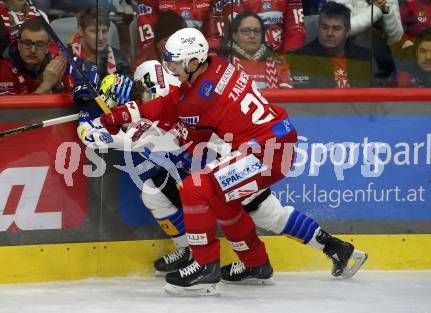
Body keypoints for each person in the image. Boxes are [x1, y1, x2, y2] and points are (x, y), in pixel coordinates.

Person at [99, 27, 368, 295]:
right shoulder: (215, 67)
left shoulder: (197, 99)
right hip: (266, 144)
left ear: (193, 62)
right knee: (226, 202)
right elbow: (171, 104)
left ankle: (205, 267)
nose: (170, 69)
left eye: (174, 63)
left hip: (261, 150)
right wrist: (125, 113)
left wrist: (119, 125)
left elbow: (177, 128)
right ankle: (259, 264)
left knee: (197, 190)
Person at [286, 1, 374, 88]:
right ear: (319, 27)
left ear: (347, 31)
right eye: (324, 27)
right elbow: (303, 96)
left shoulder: (364, 57)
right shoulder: (302, 58)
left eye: (336, 28)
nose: (329, 33)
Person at [219, 10, 293, 89]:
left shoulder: (277, 61)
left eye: (257, 31)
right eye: (246, 31)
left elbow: (286, 95)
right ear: (234, 35)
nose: (252, 35)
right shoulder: (223, 61)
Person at [0, 18, 73, 94]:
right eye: (27, 43)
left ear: (47, 48)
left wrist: (57, 86)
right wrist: (46, 85)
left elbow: (72, 103)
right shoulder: (3, 70)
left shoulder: (55, 66)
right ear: (18, 44)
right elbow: (10, 106)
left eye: (39, 44)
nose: (33, 50)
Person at [210, 0, 306, 53]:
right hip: (232, 61)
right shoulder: (219, 3)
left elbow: (296, 30)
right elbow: (215, 37)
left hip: (276, 60)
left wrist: (290, 58)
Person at [68, 6, 131, 84]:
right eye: (94, 31)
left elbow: (129, 90)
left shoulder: (119, 61)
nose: (100, 37)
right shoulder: (66, 57)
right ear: (81, 31)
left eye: (104, 31)